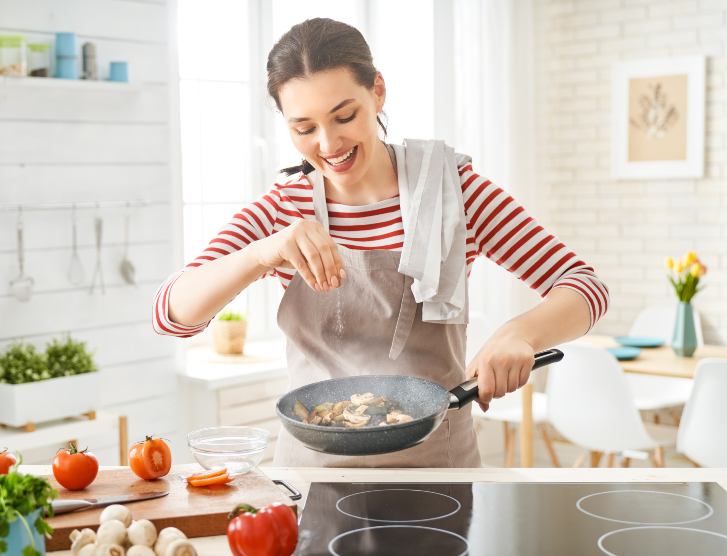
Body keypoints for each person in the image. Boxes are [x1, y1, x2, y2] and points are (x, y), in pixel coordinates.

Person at [153, 18, 609, 468]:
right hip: (313, 475)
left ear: (378, 92)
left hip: (437, 471)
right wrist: (262, 252)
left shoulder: (453, 192)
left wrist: (520, 334)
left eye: (344, 116)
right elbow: (171, 315)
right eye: (304, 128)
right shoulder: (283, 209)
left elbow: (586, 286)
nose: (328, 143)